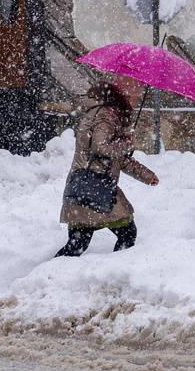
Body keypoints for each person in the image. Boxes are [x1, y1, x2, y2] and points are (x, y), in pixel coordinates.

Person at [57, 74, 160, 257]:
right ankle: (116, 269)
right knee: (127, 233)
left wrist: (146, 175)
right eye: (136, 95)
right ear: (125, 95)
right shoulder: (108, 115)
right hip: (96, 188)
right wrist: (127, 143)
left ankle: (51, 277)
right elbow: (101, 147)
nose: (138, 99)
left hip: (82, 186)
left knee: (77, 245)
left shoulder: (104, 112)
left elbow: (117, 158)